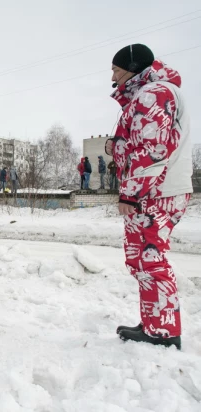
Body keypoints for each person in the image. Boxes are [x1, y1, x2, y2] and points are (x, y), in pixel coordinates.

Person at [106, 44, 192, 349]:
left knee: (150, 260)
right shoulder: (153, 93)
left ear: (132, 66)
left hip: (155, 192)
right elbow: (145, 142)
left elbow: (153, 150)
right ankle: (154, 323)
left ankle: (164, 332)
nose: (113, 76)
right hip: (155, 189)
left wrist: (130, 194)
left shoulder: (154, 93)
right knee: (141, 259)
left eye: (116, 69)